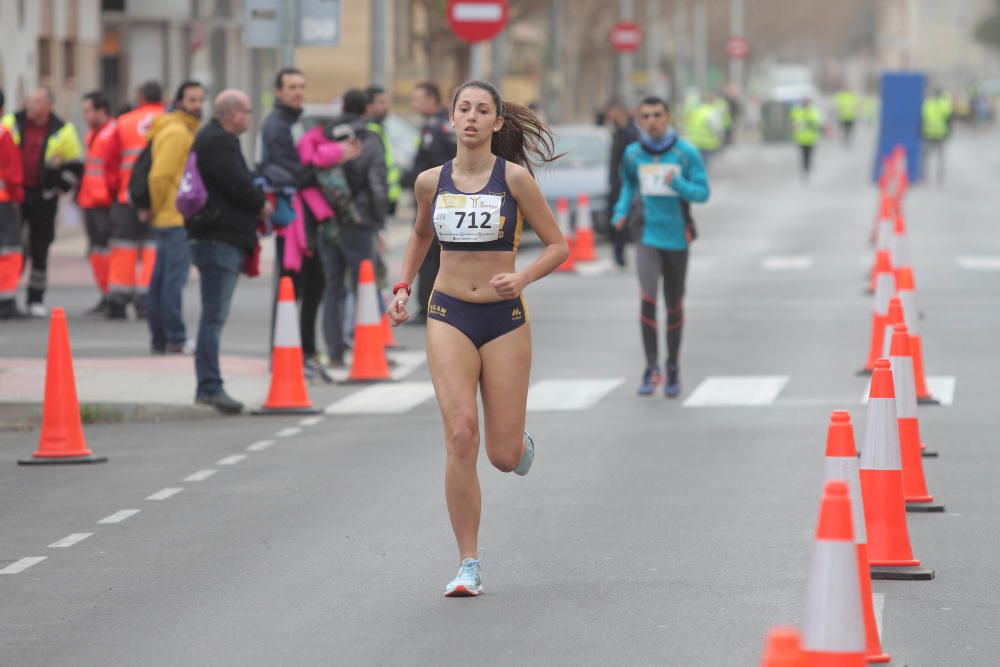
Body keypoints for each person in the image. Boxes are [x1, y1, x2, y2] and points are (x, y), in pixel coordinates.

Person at [388, 80, 568, 597]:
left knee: (502, 456)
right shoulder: (430, 182)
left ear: (496, 123)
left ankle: (519, 444)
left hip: (504, 318)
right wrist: (403, 286)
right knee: (461, 433)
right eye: (462, 108)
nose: (470, 117)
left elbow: (558, 246)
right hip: (448, 312)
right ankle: (468, 560)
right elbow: (422, 233)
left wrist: (524, 278)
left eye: (481, 110)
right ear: (451, 118)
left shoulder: (514, 181)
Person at [612, 96, 710, 398]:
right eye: (645, 116)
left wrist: (678, 185)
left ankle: (672, 368)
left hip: (677, 237)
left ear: (667, 118)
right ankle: (651, 367)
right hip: (646, 235)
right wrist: (621, 211)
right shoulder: (632, 154)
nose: (652, 120)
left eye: (657, 114)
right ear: (639, 120)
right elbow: (628, 184)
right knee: (647, 299)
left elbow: (703, 192)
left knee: (674, 303)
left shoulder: (685, 153)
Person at [187, 90, 270, 414]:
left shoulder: (218, 138)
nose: (250, 117)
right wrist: (261, 204)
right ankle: (209, 386)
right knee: (213, 317)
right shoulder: (217, 141)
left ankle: (209, 384)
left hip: (218, 236)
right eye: (247, 111)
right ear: (232, 113)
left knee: (214, 316)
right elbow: (236, 185)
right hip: (217, 238)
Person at [259, 67, 329, 381]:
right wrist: (324, 166)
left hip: (306, 215)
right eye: (291, 87)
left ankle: (305, 351)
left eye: (301, 86)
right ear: (279, 91)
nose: (298, 91)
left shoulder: (295, 122)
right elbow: (290, 172)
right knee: (291, 285)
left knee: (313, 285)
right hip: (293, 216)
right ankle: (284, 354)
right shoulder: (277, 125)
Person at [316, 88, 387, 368]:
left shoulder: (325, 134)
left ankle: (334, 352)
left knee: (332, 286)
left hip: (327, 219)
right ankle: (366, 349)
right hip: (358, 220)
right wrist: (379, 220)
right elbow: (376, 182)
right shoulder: (369, 138)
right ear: (365, 110)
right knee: (364, 286)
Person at [2, 87, 82, 317]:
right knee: (13, 247)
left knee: (41, 245)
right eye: (29, 102)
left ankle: (35, 297)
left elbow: (75, 166)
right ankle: (8, 296)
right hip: (14, 195)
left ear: (49, 105)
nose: (30, 107)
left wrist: (58, 184)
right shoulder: (11, 122)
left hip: (44, 196)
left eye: (36, 103)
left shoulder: (63, 130)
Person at [145, 80, 204, 354]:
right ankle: (175, 337)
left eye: (200, 100)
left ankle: (161, 337)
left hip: (169, 215)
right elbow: (159, 175)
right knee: (172, 281)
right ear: (179, 101)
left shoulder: (176, 129)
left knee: (161, 280)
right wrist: (162, 207)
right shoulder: (178, 132)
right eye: (192, 100)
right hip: (174, 216)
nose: (197, 105)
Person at [107, 81, 165, 319]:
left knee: (124, 248)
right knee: (153, 249)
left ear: (140, 96)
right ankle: (146, 298)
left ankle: (118, 300)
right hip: (159, 197)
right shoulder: (169, 120)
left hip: (126, 196)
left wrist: (116, 190)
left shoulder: (123, 122)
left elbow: (110, 162)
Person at [406, 81, 457, 322]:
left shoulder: (435, 127)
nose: (414, 104)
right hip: (447, 198)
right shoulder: (444, 126)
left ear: (431, 100)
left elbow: (432, 162)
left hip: (436, 198)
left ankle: (428, 305)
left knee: (429, 254)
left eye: (418, 98)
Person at [77, 92, 118, 316]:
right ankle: (105, 292)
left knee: (105, 249)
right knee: (97, 251)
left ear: (101, 111)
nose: (85, 116)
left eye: (88, 111)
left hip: (104, 202)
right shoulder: (94, 133)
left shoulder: (112, 132)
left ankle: (112, 293)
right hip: (91, 200)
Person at [0, 88, 26, 319]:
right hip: (3, 203)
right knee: (8, 250)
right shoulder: (3, 133)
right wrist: (18, 196)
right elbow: (12, 172)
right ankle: (5, 300)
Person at [606, 100, 640, 267]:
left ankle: (620, 253)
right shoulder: (618, 131)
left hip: (624, 183)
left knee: (621, 219)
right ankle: (618, 253)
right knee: (616, 220)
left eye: (612, 112)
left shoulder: (630, 133)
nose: (609, 116)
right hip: (615, 183)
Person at [364, 85, 401, 215]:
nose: (386, 106)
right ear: (368, 105)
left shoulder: (379, 129)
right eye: (381, 102)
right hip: (374, 205)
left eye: (386, 101)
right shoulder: (368, 132)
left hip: (385, 201)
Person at [684, 95, 723, 170]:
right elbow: (716, 128)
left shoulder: (697, 110)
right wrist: (720, 138)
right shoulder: (711, 112)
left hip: (694, 141)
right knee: (705, 163)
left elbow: (688, 124)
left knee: (696, 162)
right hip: (707, 143)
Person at [922, 88, 951, 184]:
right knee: (941, 157)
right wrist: (948, 132)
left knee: (926, 157)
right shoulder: (945, 104)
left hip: (928, 134)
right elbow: (949, 120)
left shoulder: (928, 104)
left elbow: (922, 119)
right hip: (941, 134)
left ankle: (925, 176)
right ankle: (940, 177)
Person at [789, 97, 822, 180]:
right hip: (801, 139)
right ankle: (805, 169)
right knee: (803, 155)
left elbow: (817, 123)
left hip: (811, 138)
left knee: (809, 155)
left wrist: (809, 123)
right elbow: (792, 123)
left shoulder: (813, 111)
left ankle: (808, 167)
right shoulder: (796, 111)